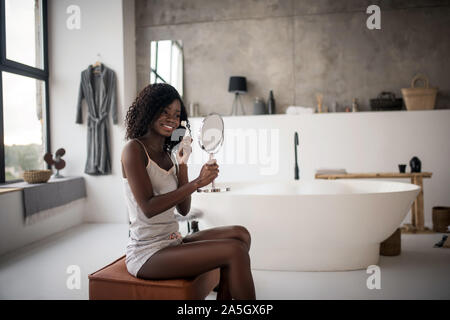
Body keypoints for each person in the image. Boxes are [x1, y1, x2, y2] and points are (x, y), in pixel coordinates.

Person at [121, 83, 255, 300]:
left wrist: (183, 165)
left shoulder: (169, 156)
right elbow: (147, 208)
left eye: (176, 115)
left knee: (241, 234)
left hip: (172, 240)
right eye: (164, 112)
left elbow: (184, 210)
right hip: (147, 253)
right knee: (235, 251)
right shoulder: (133, 150)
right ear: (149, 110)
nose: (171, 119)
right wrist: (197, 182)